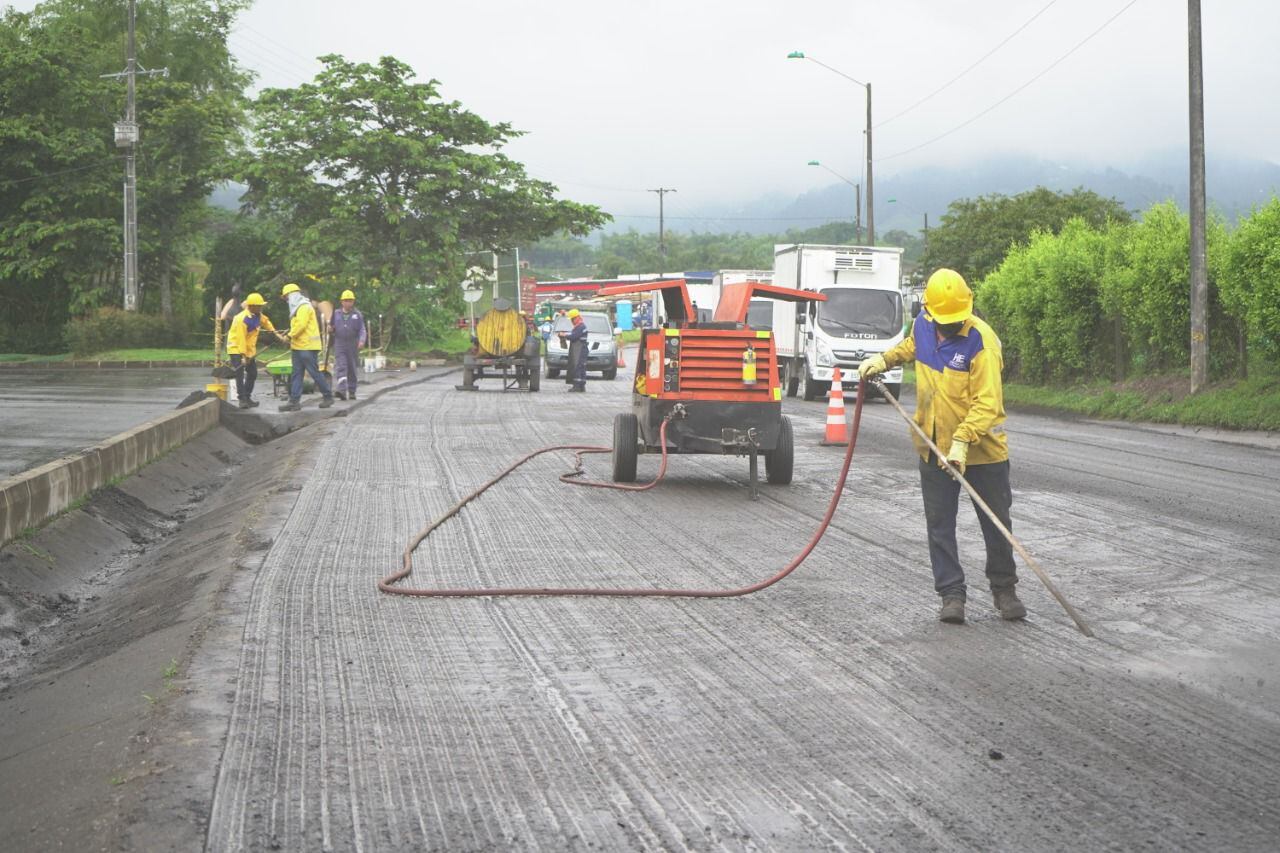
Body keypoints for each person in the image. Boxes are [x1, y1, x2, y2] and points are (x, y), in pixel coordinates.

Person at [858, 268, 1025, 625]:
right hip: (933, 448)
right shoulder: (923, 324)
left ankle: (1004, 589)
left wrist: (963, 442)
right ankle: (952, 595)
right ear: (930, 311)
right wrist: (884, 360)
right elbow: (911, 346)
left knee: (996, 524)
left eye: (955, 321)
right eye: (942, 321)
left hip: (983, 454)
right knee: (940, 525)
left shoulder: (983, 342)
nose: (948, 327)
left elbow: (988, 404)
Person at [279, 281, 334, 412]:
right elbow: (297, 325)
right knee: (296, 374)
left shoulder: (303, 307)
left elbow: (301, 325)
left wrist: (289, 336)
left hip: (307, 347)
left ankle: (328, 396)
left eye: (286, 297)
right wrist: (289, 332)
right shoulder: (296, 308)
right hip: (298, 346)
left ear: (292, 295)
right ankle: (294, 401)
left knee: (314, 372)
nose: (286, 300)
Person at [226, 292, 283, 408]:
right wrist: (243, 357)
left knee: (252, 373)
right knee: (239, 374)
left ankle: (247, 396)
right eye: (259, 306)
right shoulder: (242, 319)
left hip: (249, 349)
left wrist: (277, 334)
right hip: (236, 348)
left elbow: (267, 322)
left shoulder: (258, 315)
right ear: (251, 306)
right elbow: (241, 339)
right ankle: (242, 400)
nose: (261, 308)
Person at [329, 289, 366, 400]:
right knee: (341, 366)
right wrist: (330, 329)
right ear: (342, 302)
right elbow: (331, 327)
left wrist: (361, 340)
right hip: (339, 343)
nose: (348, 303)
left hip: (352, 344)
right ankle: (342, 390)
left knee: (352, 368)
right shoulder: (336, 314)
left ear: (353, 302)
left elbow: (362, 329)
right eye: (346, 300)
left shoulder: (357, 315)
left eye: (350, 301)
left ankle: (352, 390)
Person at [559, 308, 588, 392]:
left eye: (572, 319)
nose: (571, 321)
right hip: (581, 349)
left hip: (580, 350)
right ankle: (582, 386)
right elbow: (573, 334)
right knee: (581, 367)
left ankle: (577, 386)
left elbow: (574, 336)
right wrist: (566, 334)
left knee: (577, 367)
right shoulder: (580, 326)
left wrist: (564, 335)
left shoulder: (580, 326)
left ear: (576, 318)